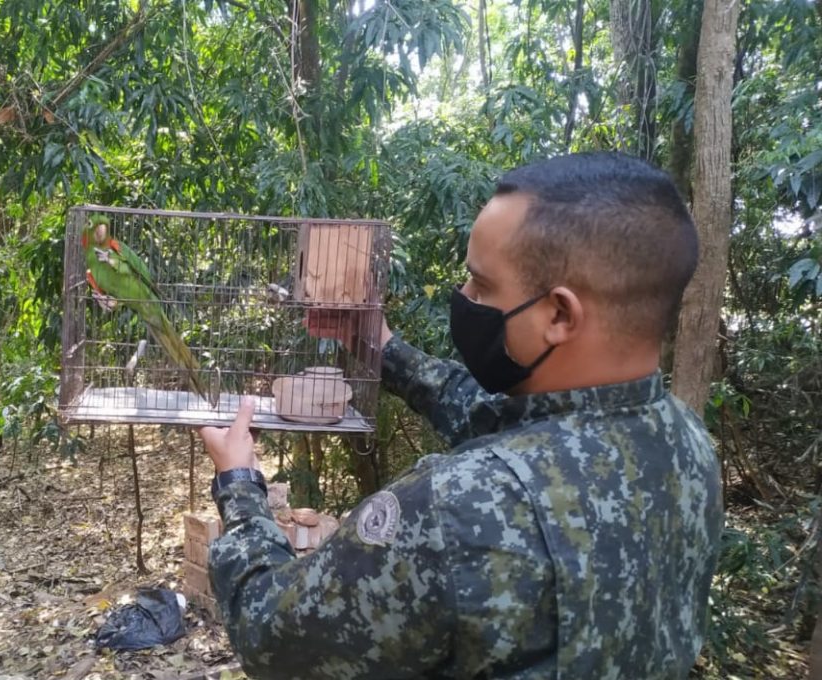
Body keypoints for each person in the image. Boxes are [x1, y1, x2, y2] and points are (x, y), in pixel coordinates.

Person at [198, 152, 724, 679]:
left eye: (481, 285)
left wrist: (240, 486)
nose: (464, 298)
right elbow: (499, 421)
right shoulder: (686, 441)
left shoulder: (454, 508)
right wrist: (377, 344)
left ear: (559, 314)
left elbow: (270, 636)